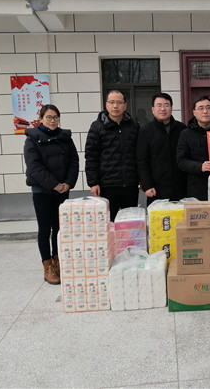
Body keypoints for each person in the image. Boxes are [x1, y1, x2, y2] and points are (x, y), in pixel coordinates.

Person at [24, 104, 79, 285]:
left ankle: (58, 260)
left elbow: (74, 161)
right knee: (45, 229)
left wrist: (68, 183)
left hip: (62, 190)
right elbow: (34, 168)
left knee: (59, 228)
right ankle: (47, 266)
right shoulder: (32, 139)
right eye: (49, 117)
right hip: (42, 191)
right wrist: (54, 184)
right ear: (41, 119)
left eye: (55, 117)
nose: (53, 120)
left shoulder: (65, 138)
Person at [85, 89, 140, 221]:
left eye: (119, 102)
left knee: (129, 223)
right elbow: (91, 156)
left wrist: (143, 179)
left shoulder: (134, 126)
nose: (115, 106)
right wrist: (93, 182)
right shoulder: (97, 127)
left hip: (130, 184)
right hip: (107, 185)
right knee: (109, 223)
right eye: (112, 102)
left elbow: (140, 155)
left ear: (125, 105)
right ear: (106, 104)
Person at [137, 93, 187, 205]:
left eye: (166, 105)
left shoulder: (182, 129)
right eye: (159, 105)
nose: (163, 109)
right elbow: (141, 161)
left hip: (181, 186)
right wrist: (147, 185)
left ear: (171, 108)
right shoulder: (145, 131)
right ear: (153, 109)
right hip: (156, 189)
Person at [177, 95, 210, 201]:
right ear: (194, 112)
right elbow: (181, 161)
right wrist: (200, 166)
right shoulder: (186, 134)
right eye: (201, 108)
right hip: (197, 188)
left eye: (208, 107)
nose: (205, 111)